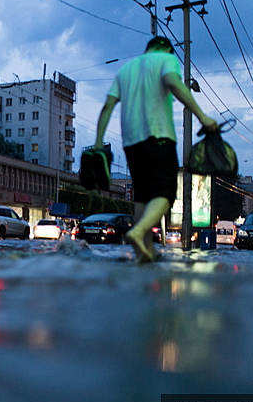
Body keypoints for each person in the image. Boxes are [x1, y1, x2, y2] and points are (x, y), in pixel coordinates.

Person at [94, 36, 219, 262]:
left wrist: (98, 142)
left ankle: (145, 251)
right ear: (167, 49)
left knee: (142, 195)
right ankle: (139, 231)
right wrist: (202, 116)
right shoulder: (166, 59)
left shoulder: (125, 70)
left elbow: (107, 106)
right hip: (159, 136)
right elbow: (174, 83)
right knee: (165, 192)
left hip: (131, 142)